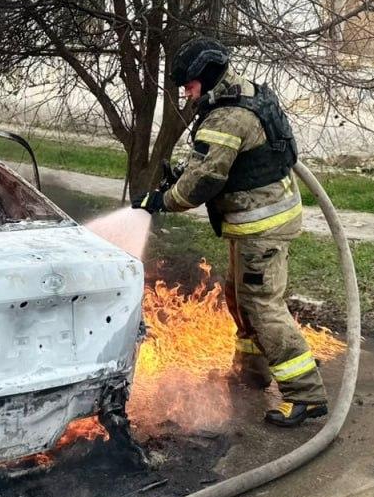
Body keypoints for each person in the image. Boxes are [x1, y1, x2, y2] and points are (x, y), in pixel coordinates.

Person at [132, 37, 327, 427]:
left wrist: (162, 200)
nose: (185, 93)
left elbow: (204, 181)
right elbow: (217, 161)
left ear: (205, 76)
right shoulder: (240, 95)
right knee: (241, 298)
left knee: (263, 305)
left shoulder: (228, 117)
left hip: (263, 227)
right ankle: (252, 371)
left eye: (188, 84)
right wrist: (182, 174)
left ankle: (306, 394)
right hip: (255, 222)